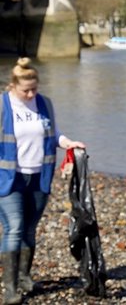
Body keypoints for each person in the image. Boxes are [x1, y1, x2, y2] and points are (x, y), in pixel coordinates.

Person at [0, 57, 86, 305]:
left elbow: (52, 132)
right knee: (15, 227)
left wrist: (68, 143)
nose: (30, 94)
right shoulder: (4, 105)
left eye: (34, 89)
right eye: (25, 90)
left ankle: (25, 276)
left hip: (40, 176)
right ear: (13, 86)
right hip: (9, 178)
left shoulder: (44, 103)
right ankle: (10, 288)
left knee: (29, 228)